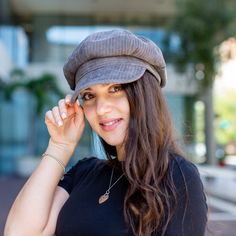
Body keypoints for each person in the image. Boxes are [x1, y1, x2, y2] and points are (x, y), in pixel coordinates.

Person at [4, 29, 208, 236]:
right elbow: (19, 232)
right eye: (89, 95)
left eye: (115, 89)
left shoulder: (177, 176)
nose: (100, 109)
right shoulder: (84, 173)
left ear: (145, 94)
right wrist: (59, 147)